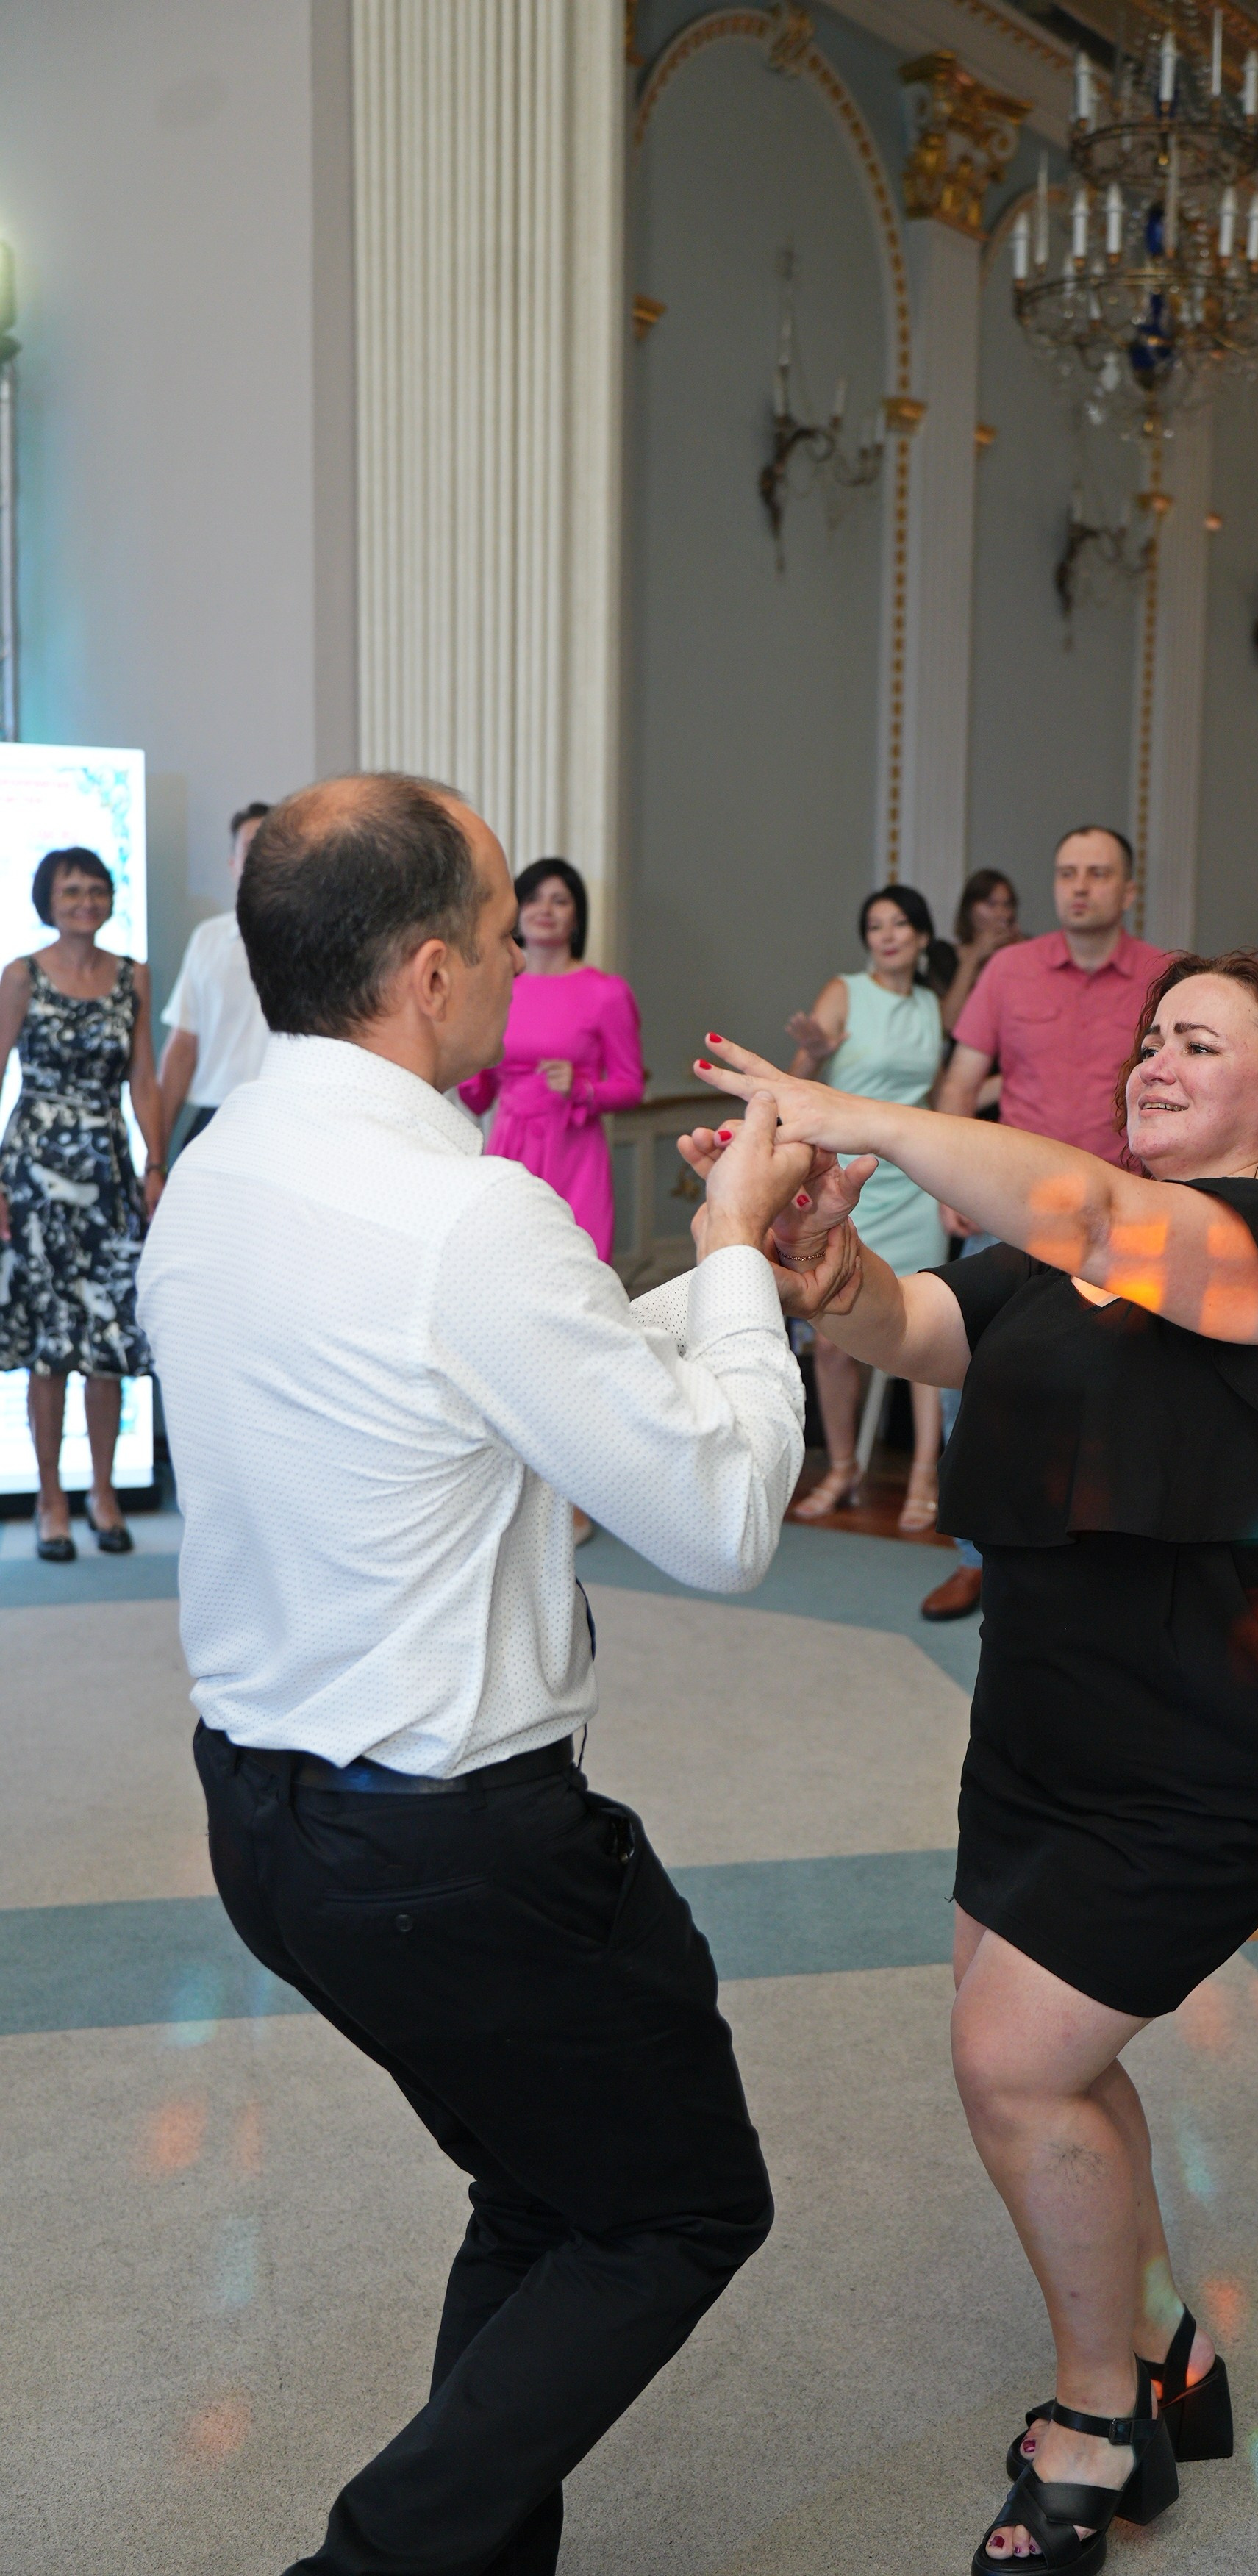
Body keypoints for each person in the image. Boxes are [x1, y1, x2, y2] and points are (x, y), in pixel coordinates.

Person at [137, 773, 812, 2576]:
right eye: (508, 926)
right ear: (432, 971)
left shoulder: (215, 1181)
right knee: (674, 2204)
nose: (526, 957)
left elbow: (475, 1392)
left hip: (269, 1822)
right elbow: (727, 1515)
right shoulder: (465, 1219)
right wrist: (737, 1259)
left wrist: (700, 1311)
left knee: (542, 2184)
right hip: (455, 1852)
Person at [687, 951, 1258, 2573]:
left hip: (1224, 1743)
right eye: (1150, 1038)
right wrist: (821, 1264)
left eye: (1201, 1042)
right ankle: (1170, 2350)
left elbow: (1096, 1220)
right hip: (1043, 1725)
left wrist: (843, 1109)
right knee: (1046, 2056)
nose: (1156, 1059)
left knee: (1015, 2064)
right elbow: (919, 1328)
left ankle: (1105, 2419)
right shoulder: (1048, 1260)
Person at [922, 826, 1172, 1621]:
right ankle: (977, 1560)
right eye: (1067, 872)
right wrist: (946, 1179)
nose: (1079, 887)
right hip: (1008, 1213)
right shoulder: (1009, 970)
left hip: (1126, 1217)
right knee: (976, 1384)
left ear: (1128, 890)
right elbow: (959, 1083)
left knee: (1123, 1393)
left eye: (1098, 874)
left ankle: (1108, 1557)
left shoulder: (1167, 978)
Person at [0, 845, 164, 1560]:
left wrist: (156, 1163)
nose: (85, 901)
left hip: (108, 1170)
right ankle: (50, 1499)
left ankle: (103, 1492)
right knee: (48, 1342)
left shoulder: (133, 976)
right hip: (33, 1170)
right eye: (71, 890)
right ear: (48, 898)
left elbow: (145, 1077)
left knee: (107, 1342)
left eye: (96, 889)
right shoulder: (21, 976)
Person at [782, 884, 951, 1532]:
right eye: (875, 925)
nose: (886, 936)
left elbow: (937, 1093)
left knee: (926, 1330)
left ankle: (924, 1477)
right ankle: (844, 1468)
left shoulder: (934, 1005)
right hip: (847, 1182)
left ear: (922, 938)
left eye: (899, 925)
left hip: (913, 1181)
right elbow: (803, 1072)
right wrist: (818, 1053)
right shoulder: (845, 990)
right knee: (832, 1338)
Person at [457, 857, 643, 1262]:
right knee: (503, 1265)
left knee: (578, 1266)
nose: (545, 910)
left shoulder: (606, 993)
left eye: (560, 901)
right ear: (515, 914)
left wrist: (584, 1089)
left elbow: (631, 1087)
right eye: (534, 899)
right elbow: (477, 1099)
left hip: (574, 1153)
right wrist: (461, 1057)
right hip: (509, 1149)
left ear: (576, 918)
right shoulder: (495, 989)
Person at [158, 801, 274, 1148]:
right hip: (216, 1115)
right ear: (232, 863)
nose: (263, 858)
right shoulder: (207, 939)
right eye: (253, 848)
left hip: (288, 1117)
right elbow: (183, 1046)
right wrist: (156, 1155)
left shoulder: (322, 940)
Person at [939, 867, 1024, 1036]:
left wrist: (1021, 951)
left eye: (1007, 905)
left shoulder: (1022, 950)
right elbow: (949, 1023)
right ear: (969, 909)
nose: (1001, 914)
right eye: (991, 904)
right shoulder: (944, 954)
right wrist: (974, 957)